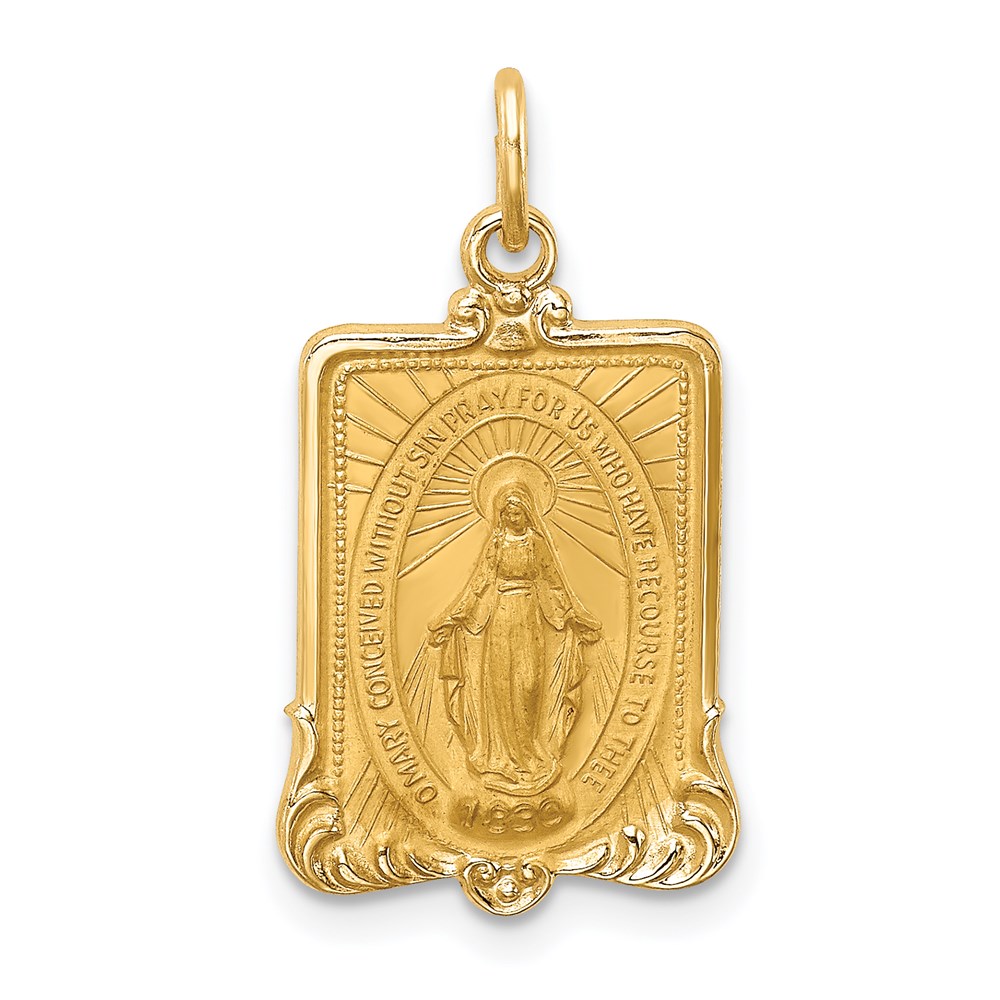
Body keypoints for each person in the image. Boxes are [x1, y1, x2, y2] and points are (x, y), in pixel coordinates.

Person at [426, 484, 602, 795]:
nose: (512, 517)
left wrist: (574, 615)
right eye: (507, 512)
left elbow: (554, 582)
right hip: (501, 618)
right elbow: (479, 583)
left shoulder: (536, 544)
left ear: (527, 512)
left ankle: (530, 752)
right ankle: (502, 759)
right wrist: (454, 616)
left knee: (528, 683)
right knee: (501, 686)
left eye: (518, 511)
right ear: (501, 515)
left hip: (529, 616)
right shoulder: (496, 544)